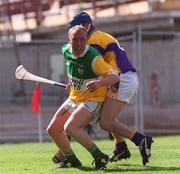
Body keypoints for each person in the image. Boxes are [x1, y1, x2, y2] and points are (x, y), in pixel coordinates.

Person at [67, 11, 153, 166]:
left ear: (87, 26)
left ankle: (140, 139)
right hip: (122, 77)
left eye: (77, 28)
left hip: (121, 79)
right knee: (106, 116)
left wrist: (78, 83)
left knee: (105, 122)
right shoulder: (96, 36)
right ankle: (120, 147)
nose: (76, 34)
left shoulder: (92, 40)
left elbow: (91, 68)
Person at [47, 25, 119, 169]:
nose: (79, 43)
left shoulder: (94, 58)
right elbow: (74, 69)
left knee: (71, 127)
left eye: (82, 40)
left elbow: (114, 77)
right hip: (75, 98)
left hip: (93, 99)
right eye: (75, 40)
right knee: (53, 129)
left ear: (86, 40)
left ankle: (100, 157)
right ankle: (71, 159)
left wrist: (99, 83)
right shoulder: (65, 50)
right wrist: (72, 84)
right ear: (69, 41)